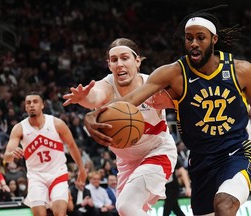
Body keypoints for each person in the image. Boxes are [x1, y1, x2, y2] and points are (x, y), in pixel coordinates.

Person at [82, 6, 251, 216]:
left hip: (236, 153)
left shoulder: (240, 70)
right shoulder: (173, 74)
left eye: (200, 38)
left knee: (224, 205)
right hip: (200, 160)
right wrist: (93, 113)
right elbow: (130, 100)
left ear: (214, 40)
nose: (194, 43)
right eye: (189, 38)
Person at [62, 38, 177, 215]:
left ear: (137, 61)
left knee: (126, 206)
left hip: (158, 152)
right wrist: (84, 98)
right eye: (114, 60)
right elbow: (95, 95)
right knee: (126, 211)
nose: (119, 64)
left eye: (125, 58)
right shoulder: (108, 85)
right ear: (109, 65)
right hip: (126, 162)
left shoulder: (152, 85)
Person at [3, 92, 87, 216]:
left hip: (57, 173)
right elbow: (6, 157)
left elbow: (72, 146)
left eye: (35, 102)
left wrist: (81, 169)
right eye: (28, 103)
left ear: (42, 105)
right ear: (25, 107)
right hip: (36, 176)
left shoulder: (57, 123)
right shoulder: (19, 128)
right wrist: (12, 154)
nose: (32, 105)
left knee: (60, 213)